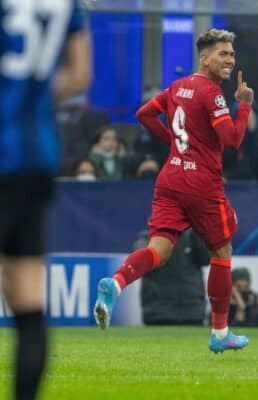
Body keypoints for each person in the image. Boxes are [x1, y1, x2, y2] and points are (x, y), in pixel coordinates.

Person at [93, 29, 254, 354]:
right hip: (200, 184)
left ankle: (117, 282)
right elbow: (232, 140)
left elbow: (144, 115)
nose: (229, 60)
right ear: (204, 58)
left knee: (160, 250)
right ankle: (220, 332)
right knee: (222, 252)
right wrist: (245, 107)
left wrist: (176, 145)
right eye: (222, 54)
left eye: (232, 55)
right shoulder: (213, 94)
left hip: (170, 178)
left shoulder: (177, 87)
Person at [0, 1, 91, 399]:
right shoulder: (65, 4)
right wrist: (34, 104)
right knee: (28, 298)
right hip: (38, 155)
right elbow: (80, 74)